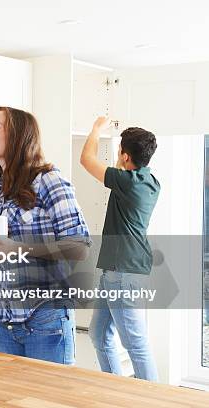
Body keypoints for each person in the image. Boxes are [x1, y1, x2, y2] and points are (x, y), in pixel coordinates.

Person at [0, 106, 91, 364]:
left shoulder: (49, 180)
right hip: (0, 322)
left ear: (18, 135)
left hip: (44, 318)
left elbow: (80, 246)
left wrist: (18, 248)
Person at [80, 117, 160, 381]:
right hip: (120, 269)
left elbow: (87, 160)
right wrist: (122, 156)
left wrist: (96, 130)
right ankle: (115, 389)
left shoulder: (127, 182)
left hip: (122, 271)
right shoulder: (148, 181)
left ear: (125, 156)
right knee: (99, 334)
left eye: (120, 153)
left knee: (135, 343)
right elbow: (119, 169)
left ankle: (152, 398)